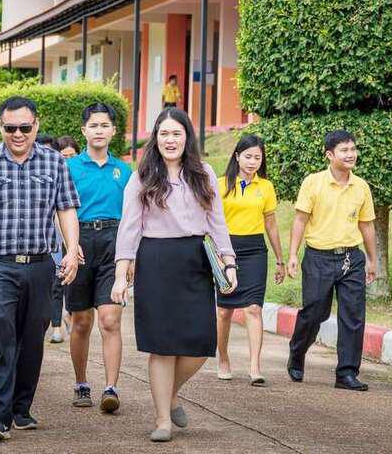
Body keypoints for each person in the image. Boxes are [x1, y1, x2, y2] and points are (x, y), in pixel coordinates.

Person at [0, 96, 81, 443]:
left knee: (32, 341)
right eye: (10, 128)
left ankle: (21, 408)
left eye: (25, 127)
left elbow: (67, 209)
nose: (18, 134)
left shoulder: (55, 162)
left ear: (36, 125)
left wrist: (70, 251)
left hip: (40, 266)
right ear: (0, 127)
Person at [111, 108, 237, 443]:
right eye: (164, 134)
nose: (170, 140)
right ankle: (162, 419)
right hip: (155, 260)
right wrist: (121, 275)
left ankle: (170, 394)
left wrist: (229, 262)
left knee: (200, 343)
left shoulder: (204, 174)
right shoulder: (142, 176)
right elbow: (129, 227)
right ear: (156, 138)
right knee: (162, 345)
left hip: (195, 261)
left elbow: (217, 222)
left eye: (176, 134)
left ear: (187, 137)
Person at [285, 130, 377, 392]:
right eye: (344, 150)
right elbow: (300, 219)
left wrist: (372, 259)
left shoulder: (361, 187)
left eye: (353, 149)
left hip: (351, 258)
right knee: (315, 312)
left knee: (353, 316)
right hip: (318, 257)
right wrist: (293, 255)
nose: (351, 154)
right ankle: (297, 351)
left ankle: (346, 373)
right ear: (329, 154)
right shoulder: (313, 182)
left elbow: (367, 225)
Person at [66, 103, 132, 413]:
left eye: (105, 125)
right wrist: (69, 244)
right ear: (84, 130)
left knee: (110, 320)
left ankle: (111, 388)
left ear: (113, 131)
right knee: (81, 322)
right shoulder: (70, 168)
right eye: (93, 125)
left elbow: (133, 217)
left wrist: (131, 257)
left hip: (113, 244)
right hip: (80, 242)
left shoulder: (124, 171)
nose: (99, 130)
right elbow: (60, 210)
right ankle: (81, 383)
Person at [216, 135, 284, 386]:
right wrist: (217, 256)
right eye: (248, 156)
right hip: (226, 250)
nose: (253, 162)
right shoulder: (220, 184)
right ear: (237, 156)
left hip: (255, 250)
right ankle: (223, 359)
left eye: (257, 157)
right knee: (224, 311)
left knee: (253, 308)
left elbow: (271, 224)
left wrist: (280, 259)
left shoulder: (265, 187)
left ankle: (255, 366)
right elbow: (211, 221)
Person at [34, 135, 69, 346]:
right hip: (33, 247)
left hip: (59, 240)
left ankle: (58, 324)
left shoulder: (62, 176)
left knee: (58, 284)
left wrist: (71, 244)